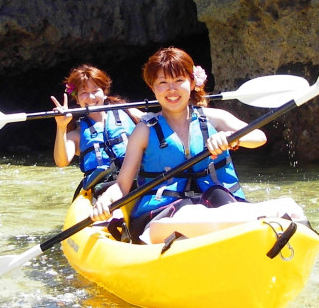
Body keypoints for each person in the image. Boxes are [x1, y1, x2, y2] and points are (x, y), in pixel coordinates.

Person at [90, 47, 267, 242]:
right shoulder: (143, 131)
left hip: (218, 206)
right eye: (163, 82)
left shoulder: (215, 119)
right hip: (163, 212)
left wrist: (232, 138)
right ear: (153, 87)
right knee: (188, 212)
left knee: (219, 196)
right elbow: (122, 185)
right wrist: (105, 199)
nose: (171, 89)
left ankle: (236, 227)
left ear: (192, 83)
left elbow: (259, 137)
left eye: (178, 81)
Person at [50, 64, 144, 195]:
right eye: (84, 93)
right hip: (103, 187)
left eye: (95, 91)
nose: (91, 97)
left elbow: (160, 125)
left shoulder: (129, 112)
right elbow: (61, 161)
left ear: (104, 93)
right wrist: (61, 126)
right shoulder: (77, 134)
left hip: (139, 180)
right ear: (77, 99)